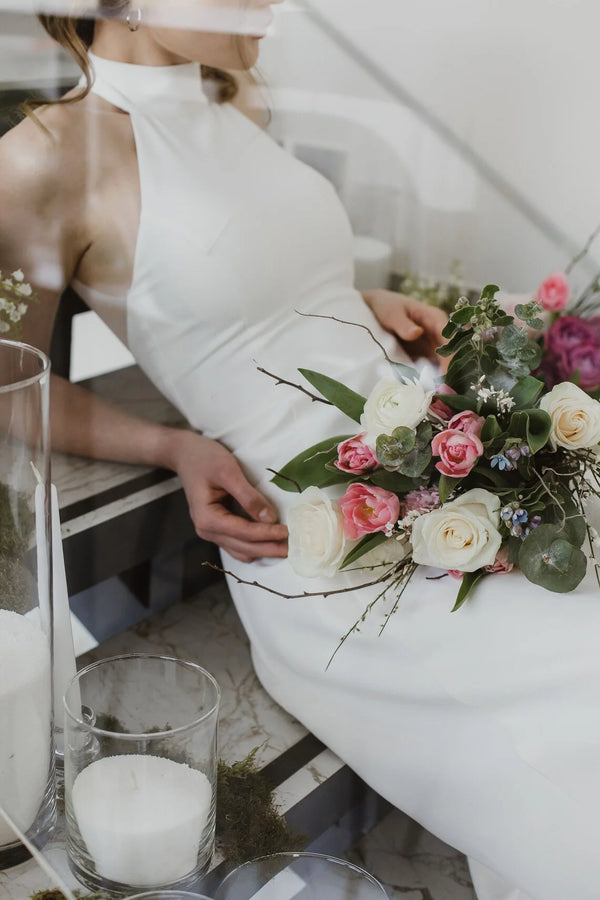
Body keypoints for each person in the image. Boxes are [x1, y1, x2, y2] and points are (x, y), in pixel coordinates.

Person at [0, 4, 599, 899]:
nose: (266, 6)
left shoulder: (233, 98)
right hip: (321, 539)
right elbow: (13, 373)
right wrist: (173, 447)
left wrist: (361, 299)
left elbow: (249, 278)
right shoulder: (44, 157)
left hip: (443, 446)